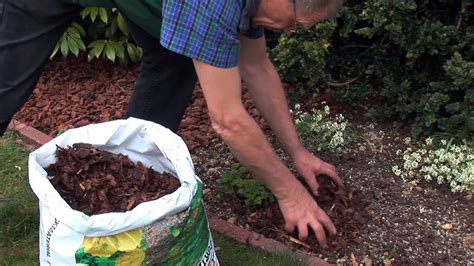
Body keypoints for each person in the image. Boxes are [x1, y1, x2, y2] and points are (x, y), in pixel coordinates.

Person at [0, 0, 344, 247]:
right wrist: (290, 195)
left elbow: (257, 66)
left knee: (177, 59)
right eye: (296, 23)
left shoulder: (251, 7)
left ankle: (123, 190)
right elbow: (228, 121)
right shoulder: (213, 4)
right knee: (6, 83)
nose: (288, 31)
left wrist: (297, 152)